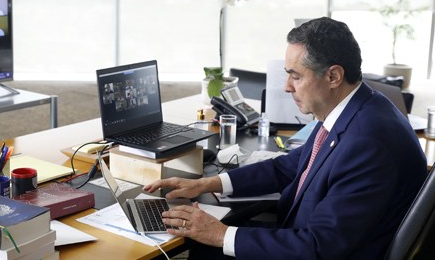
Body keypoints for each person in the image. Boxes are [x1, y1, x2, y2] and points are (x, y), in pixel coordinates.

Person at [143, 17, 428, 259]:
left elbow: (321, 247)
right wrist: (207, 183)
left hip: (320, 249)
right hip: (310, 237)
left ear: (333, 76)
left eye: (296, 76)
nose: (287, 86)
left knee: (208, 245)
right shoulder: (355, 107)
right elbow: (293, 165)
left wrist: (220, 234)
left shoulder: (368, 142)